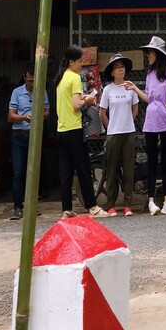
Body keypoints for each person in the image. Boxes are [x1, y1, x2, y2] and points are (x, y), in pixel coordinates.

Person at [54, 45, 110, 219]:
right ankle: (92, 206)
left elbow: (70, 100)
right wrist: (89, 100)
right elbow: (76, 105)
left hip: (61, 130)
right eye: (80, 62)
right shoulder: (74, 77)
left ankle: (66, 209)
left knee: (66, 172)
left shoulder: (61, 78)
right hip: (74, 130)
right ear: (72, 62)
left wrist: (83, 98)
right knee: (84, 169)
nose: (81, 65)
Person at [125, 36, 166, 215]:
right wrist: (135, 88)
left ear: (158, 53)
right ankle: (151, 202)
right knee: (152, 162)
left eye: (150, 52)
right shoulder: (149, 74)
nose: (148, 55)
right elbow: (149, 99)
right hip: (151, 121)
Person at [98, 54, 139, 217]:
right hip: (113, 134)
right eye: (116, 67)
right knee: (112, 169)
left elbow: (135, 108)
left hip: (129, 132)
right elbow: (102, 112)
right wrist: (111, 126)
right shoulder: (108, 90)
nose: (120, 69)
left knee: (129, 169)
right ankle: (111, 205)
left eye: (122, 66)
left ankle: (128, 205)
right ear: (112, 72)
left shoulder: (130, 87)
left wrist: (128, 121)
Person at [8, 64, 50, 220]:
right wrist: (24, 118)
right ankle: (17, 207)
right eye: (29, 80)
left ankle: (32, 206)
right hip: (19, 135)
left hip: (35, 135)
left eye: (34, 81)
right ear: (24, 78)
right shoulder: (17, 92)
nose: (32, 83)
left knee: (33, 172)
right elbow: (11, 116)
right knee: (18, 172)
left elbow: (47, 112)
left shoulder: (42, 91)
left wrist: (39, 115)